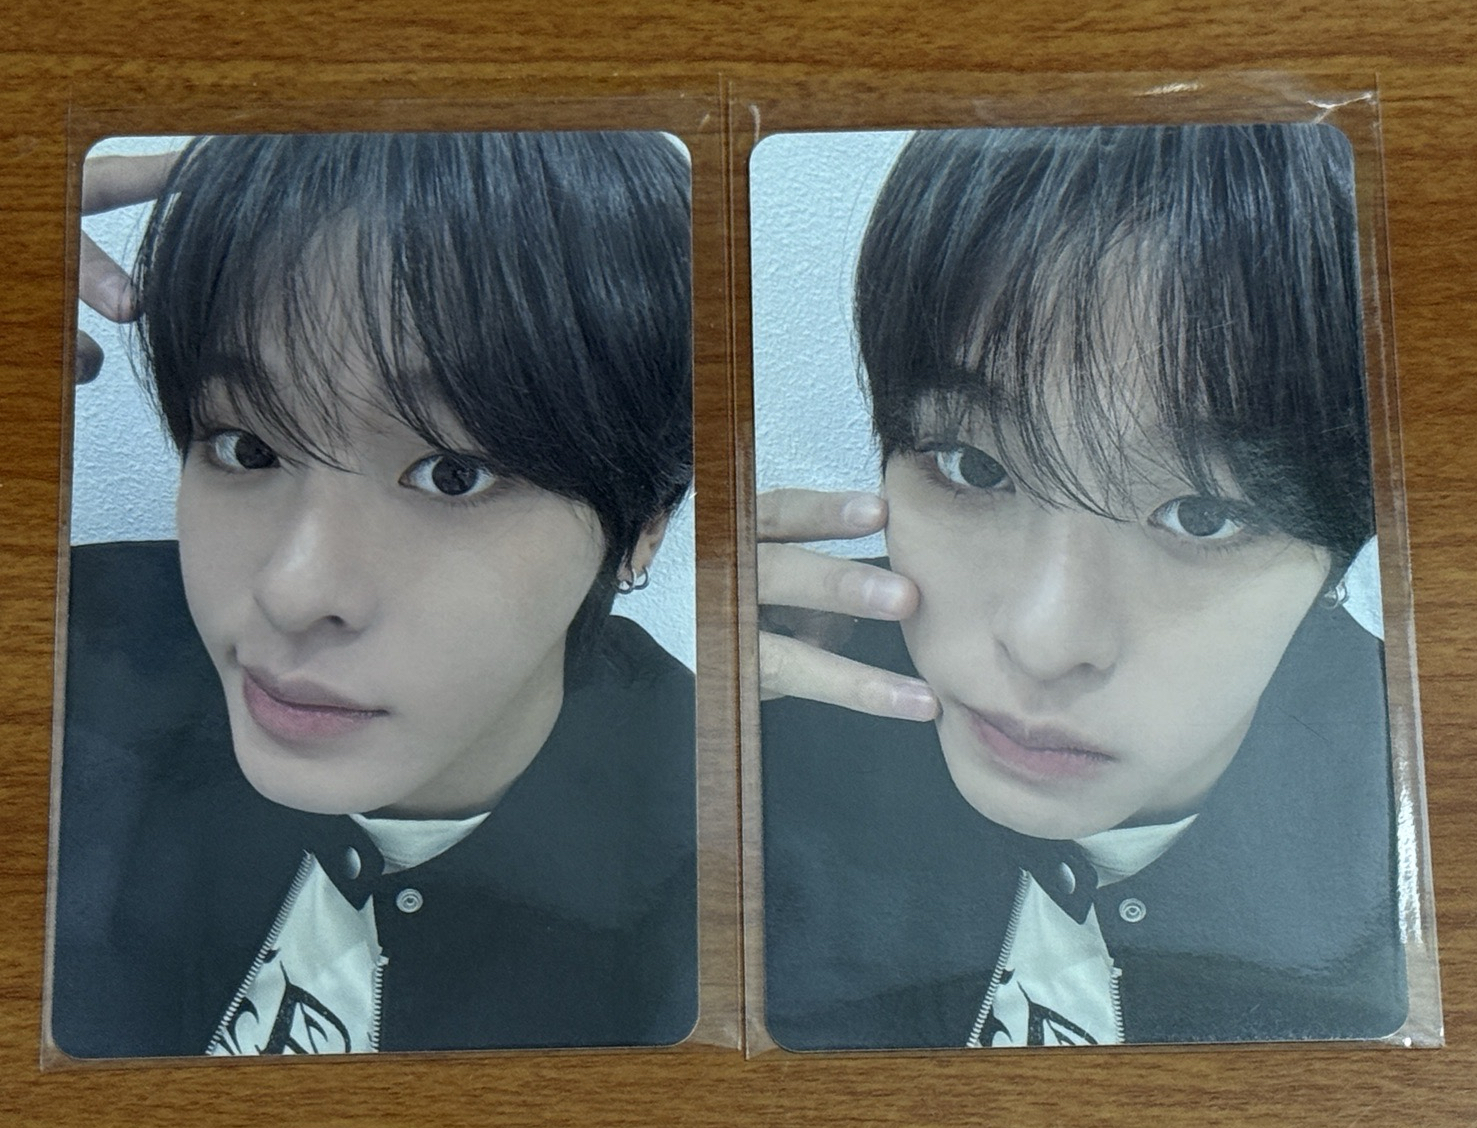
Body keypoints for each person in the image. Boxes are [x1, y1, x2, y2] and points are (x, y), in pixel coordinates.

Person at [758, 124, 1407, 1048]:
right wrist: (662, 738)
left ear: (1338, 554)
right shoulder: (772, 715)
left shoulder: (1420, 832)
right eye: (974, 466)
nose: (1043, 641)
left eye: (1200, 515)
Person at [51, 130, 697, 1057]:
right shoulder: (70, 655)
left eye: (451, 474)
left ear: (643, 522)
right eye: (246, 447)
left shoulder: (746, 871)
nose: (292, 591)